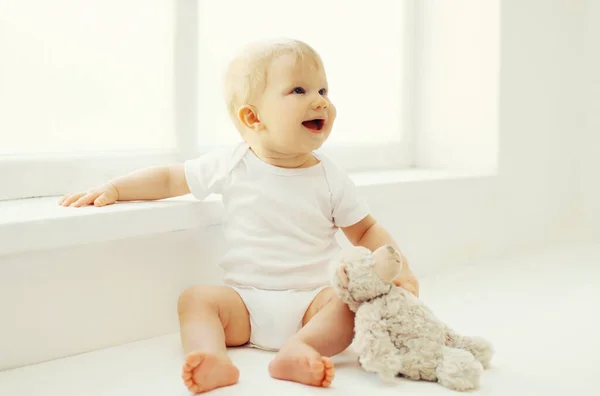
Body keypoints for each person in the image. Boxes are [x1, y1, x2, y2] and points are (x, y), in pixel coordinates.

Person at [59, 38, 419, 394]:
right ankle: (210, 357)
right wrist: (117, 188)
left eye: (323, 89)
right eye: (299, 89)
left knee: (352, 301)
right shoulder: (232, 163)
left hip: (314, 304)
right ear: (252, 116)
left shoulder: (330, 177)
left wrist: (400, 270)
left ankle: (301, 349)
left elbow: (366, 231)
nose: (320, 100)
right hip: (245, 305)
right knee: (195, 299)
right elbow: (171, 178)